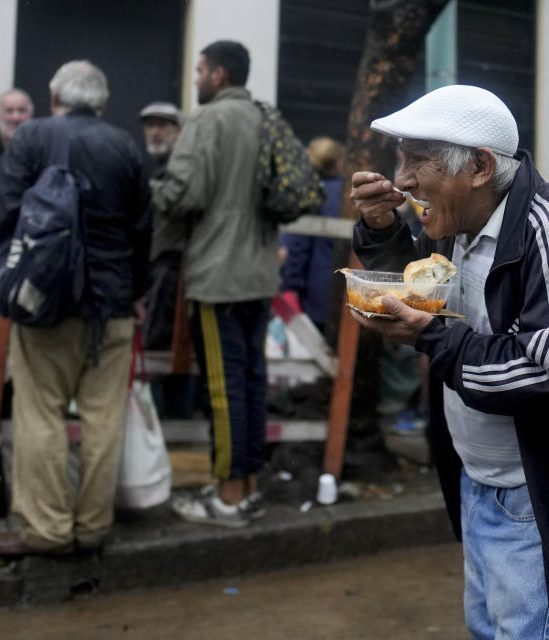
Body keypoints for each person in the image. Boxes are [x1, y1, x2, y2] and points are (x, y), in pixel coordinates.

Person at [349, 85, 549, 640]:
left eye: (418, 160)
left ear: (481, 167)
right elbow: (423, 291)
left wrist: (432, 340)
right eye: (400, 159)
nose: (403, 178)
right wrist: (383, 229)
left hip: (540, 501)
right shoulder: (458, 223)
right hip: (479, 482)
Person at [0, 60, 151, 557]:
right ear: (100, 104)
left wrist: (6, 280)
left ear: (55, 98)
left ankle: (46, 529)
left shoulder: (32, 137)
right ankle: (93, 525)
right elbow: (142, 229)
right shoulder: (126, 145)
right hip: (113, 304)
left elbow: (6, 216)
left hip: (47, 304)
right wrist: (135, 292)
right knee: (103, 418)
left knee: (40, 413)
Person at [151, 40, 274, 528]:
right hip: (260, 272)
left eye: (200, 70)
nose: (196, 78)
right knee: (252, 383)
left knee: (223, 390)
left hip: (218, 275)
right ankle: (247, 488)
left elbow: (185, 192)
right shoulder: (266, 117)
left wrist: (151, 190)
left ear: (218, 75)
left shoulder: (206, 121)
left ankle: (225, 498)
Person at [279, 136, 343, 333]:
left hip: (314, 295)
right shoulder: (346, 193)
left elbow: (296, 247)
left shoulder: (308, 194)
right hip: (345, 294)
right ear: (339, 163)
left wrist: (291, 285)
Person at [139, 101, 185, 350]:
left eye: (162, 126)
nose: (154, 132)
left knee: (159, 346)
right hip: (152, 269)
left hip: (171, 270)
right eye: (149, 126)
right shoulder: (152, 169)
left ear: (180, 130)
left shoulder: (182, 171)